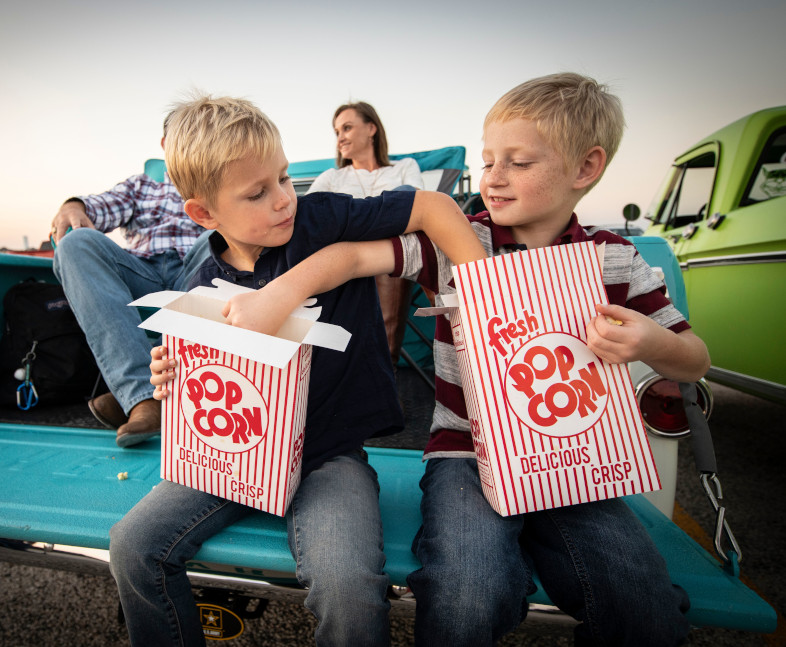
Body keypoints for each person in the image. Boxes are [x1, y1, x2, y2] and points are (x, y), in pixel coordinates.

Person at [216, 72, 707, 646]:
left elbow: (692, 359)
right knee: (468, 588)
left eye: (517, 163)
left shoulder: (614, 261)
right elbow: (350, 258)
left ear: (585, 168)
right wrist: (278, 295)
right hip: (466, 455)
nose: (493, 178)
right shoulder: (458, 243)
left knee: (643, 606)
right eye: (488, 159)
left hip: (575, 465)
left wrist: (649, 341)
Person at [108, 94, 486, 647]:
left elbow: (432, 209)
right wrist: (169, 378)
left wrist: (489, 303)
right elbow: (202, 384)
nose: (285, 200)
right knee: (131, 545)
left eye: (285, 178)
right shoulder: (198, 285)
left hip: (329, 457)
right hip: (229, 463)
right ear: (204, 214)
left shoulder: (322, 216)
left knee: (350, 586)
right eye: (258, 193)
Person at [48, 113, 208, 448]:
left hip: (196, 274)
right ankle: (143, 398)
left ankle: (135, 397)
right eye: (180, 136)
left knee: (216, 243)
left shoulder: (218, 181)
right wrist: (72, 206)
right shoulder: (141, 186)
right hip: (141, 275)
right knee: (76, 243)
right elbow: (98, 207)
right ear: (165, 145)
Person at [306, 102, 423, 368]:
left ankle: (384, 372)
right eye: (336, 132)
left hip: (389, 253)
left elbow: (416, 207)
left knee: (405, 203)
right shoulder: (332, 176)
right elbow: (309, 217)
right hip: (341, 256)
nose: (340, 138)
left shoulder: (404, 167)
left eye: (347, 128)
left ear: (371, 128)